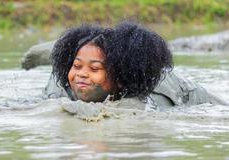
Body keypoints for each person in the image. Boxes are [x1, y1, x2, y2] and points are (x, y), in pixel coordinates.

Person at [22, 22, 228, 110]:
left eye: (94, 69)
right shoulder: (63, 83)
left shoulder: (143, 101)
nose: (82, 75)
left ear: (119, 78)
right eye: (77, 66)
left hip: (175, 89)